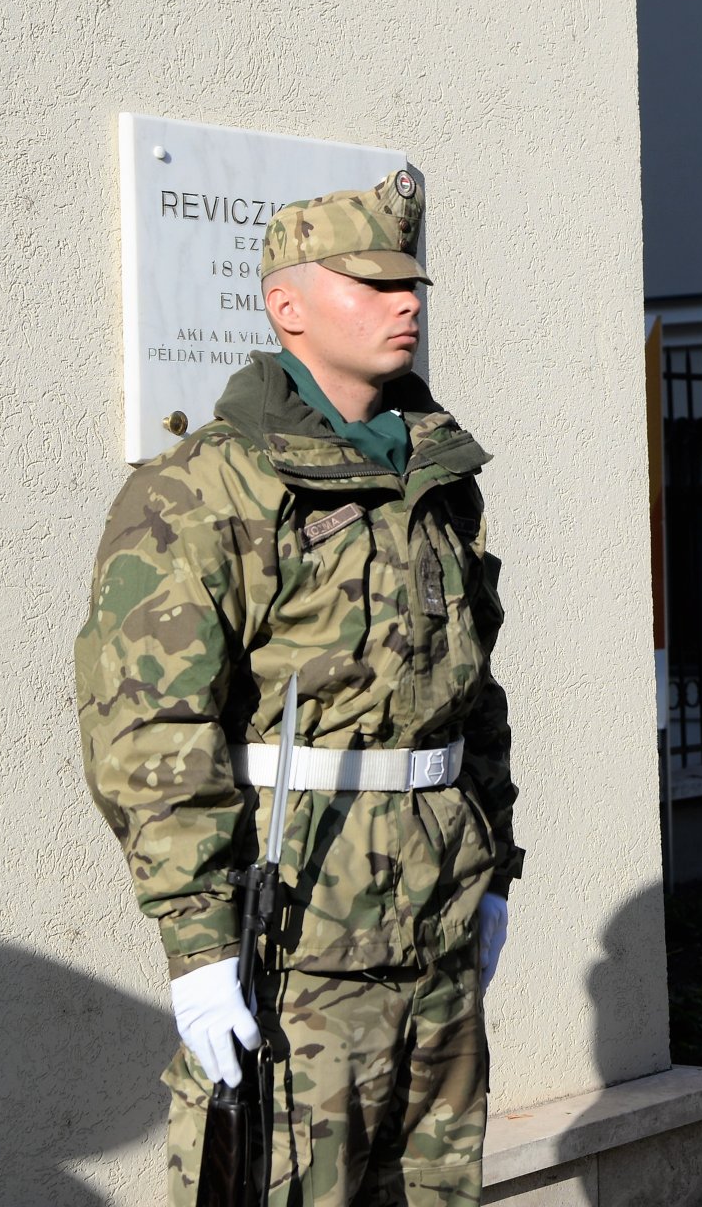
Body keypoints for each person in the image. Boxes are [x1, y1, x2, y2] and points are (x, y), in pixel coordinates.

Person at [76, 171, 522, 1205]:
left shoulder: (437, 476)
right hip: (298, 941)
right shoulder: (205, 485)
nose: (406, 302)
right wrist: (197, 940)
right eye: (373, 284)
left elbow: (473, 691)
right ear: (288, 306)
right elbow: (148, 726)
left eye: (410, 283)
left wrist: (497, 863)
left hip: (440, 924)